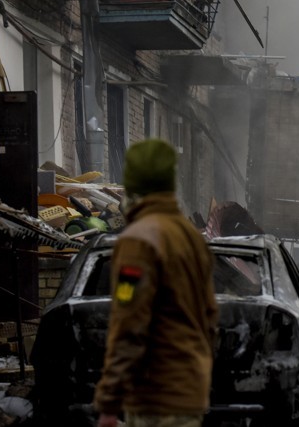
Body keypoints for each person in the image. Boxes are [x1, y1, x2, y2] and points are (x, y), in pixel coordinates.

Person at [94, 139, 219, 427]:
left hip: (155, 394)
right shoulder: (191, 237)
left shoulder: (138, 240)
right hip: (190, 389)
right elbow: (209, 315)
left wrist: (110, 400)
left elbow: (129, 320)